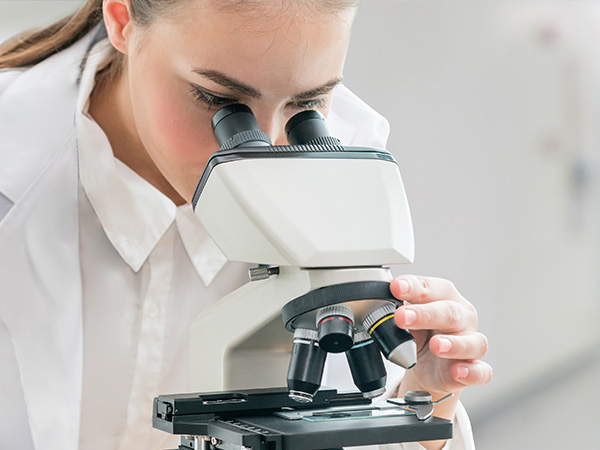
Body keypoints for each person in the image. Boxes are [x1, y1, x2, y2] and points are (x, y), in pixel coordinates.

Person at [0, 1, 492, 449]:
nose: (270, 147)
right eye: (219, 102)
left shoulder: (346, 168)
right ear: (122, 18)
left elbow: (352, 414)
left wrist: (422, 402)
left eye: (307, 105)